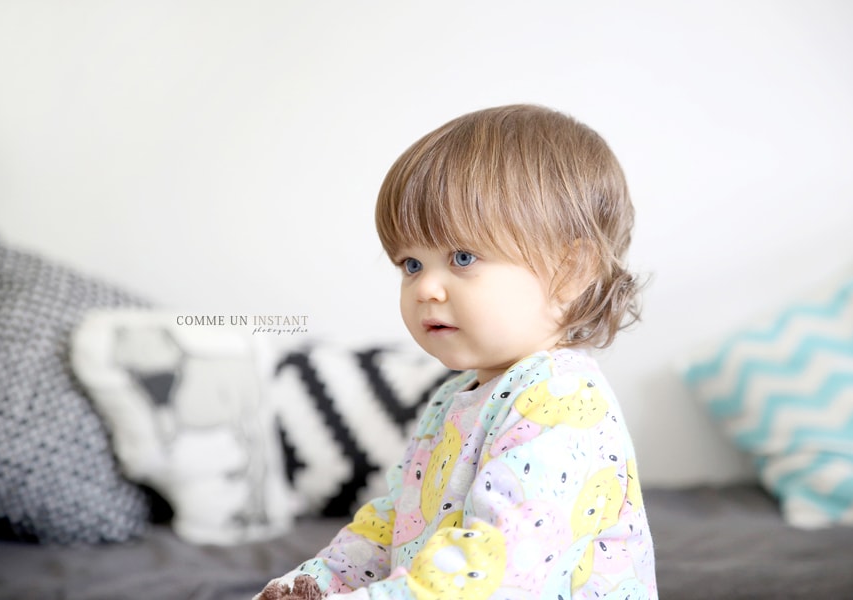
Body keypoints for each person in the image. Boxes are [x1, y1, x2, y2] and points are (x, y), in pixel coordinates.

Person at [255, 104, 657, 599]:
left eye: (462, 258)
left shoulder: (564, 400)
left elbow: (492, 569)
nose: (426, 288)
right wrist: (313, 584)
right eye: (410, 264)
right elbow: (393, 524)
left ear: (572, 270)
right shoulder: (453, 398)